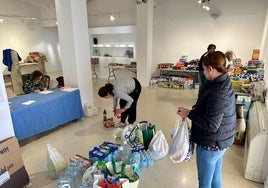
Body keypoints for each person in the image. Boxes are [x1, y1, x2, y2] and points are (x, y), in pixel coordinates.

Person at [177, 51, 236, 188]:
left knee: (204, 182)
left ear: (210, 69)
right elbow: (210, 108)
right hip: (220, 142)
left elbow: (211, 124)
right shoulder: (222, 81)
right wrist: (193, 110)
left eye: (203, 69)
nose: (203, 72)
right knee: (215, 179)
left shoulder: (218, 92)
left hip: (211, 144)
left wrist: (189, 113)